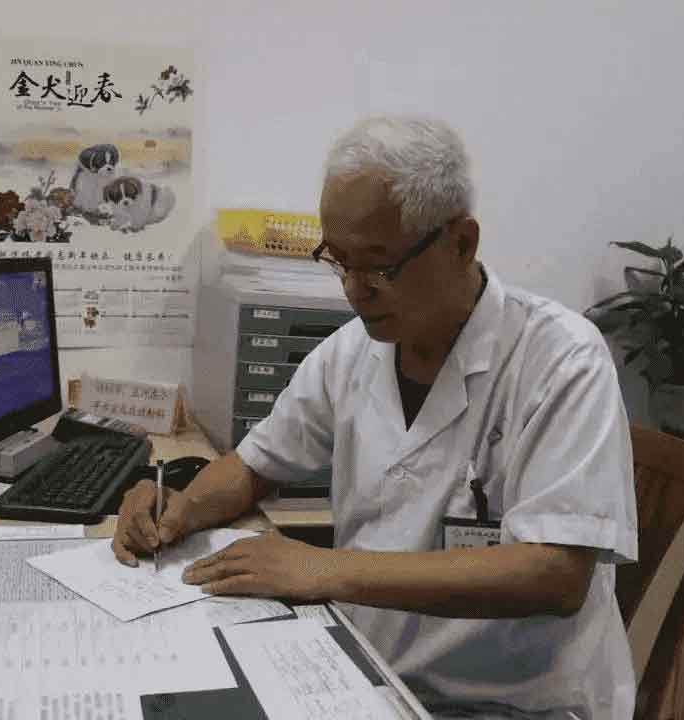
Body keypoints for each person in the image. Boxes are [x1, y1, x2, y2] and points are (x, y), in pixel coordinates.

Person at [112, 115, 638, 719]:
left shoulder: (561, 359)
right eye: (339, 261)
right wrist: (181, 509)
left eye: (380, 266)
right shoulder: (352, 352)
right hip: (366, 674)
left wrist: (322, 567)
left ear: (461, 243)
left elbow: (556, 573)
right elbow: (256, 465)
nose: (355, 290)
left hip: (510, 703)